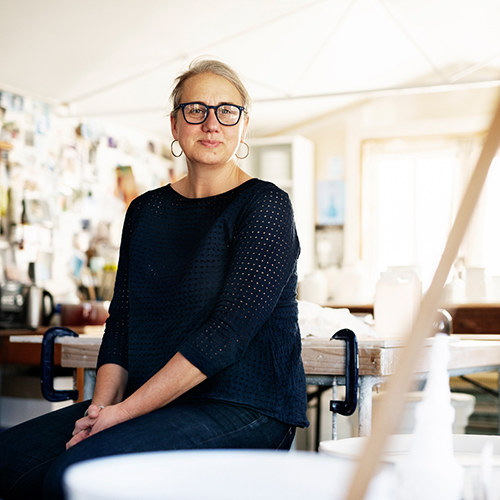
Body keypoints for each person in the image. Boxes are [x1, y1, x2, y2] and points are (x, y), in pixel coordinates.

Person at [0, 58, 309, 500]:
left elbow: (225, 337)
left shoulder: (266, 206)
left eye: (227, 111)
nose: (211, 123)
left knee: (77, 473)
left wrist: (122, 414)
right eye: (195, 109)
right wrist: (102, 408)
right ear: (175, 123)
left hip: (247, 405)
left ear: (244, 126)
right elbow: (121, 324)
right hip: (148, 403)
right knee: (8, 462)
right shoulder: (145, 211)